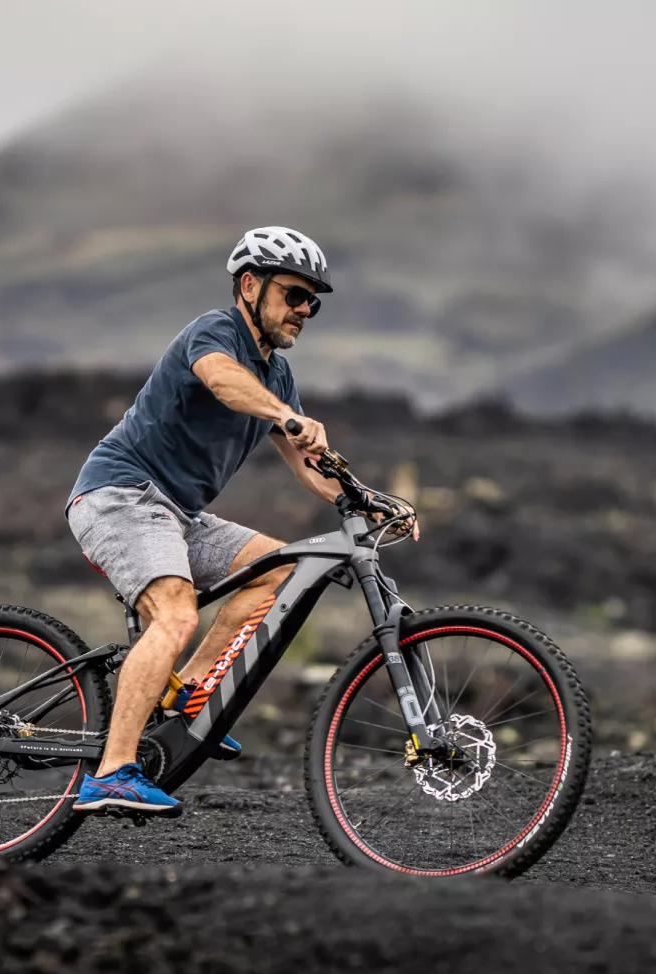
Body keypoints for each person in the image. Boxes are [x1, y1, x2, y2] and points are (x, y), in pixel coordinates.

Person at [65, 226, 415, 816]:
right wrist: (284, 415)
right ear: (250, 286)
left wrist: (366, 498)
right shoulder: (216, 332)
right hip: (119, 495)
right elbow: (223, 382)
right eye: (294, 295)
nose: (304, 310)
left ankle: (191, 702)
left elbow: (311, 466)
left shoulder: (277, 376)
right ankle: (111, 774)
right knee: (175, 612)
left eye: (314, 301)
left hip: (179, 513)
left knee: (276, 568)